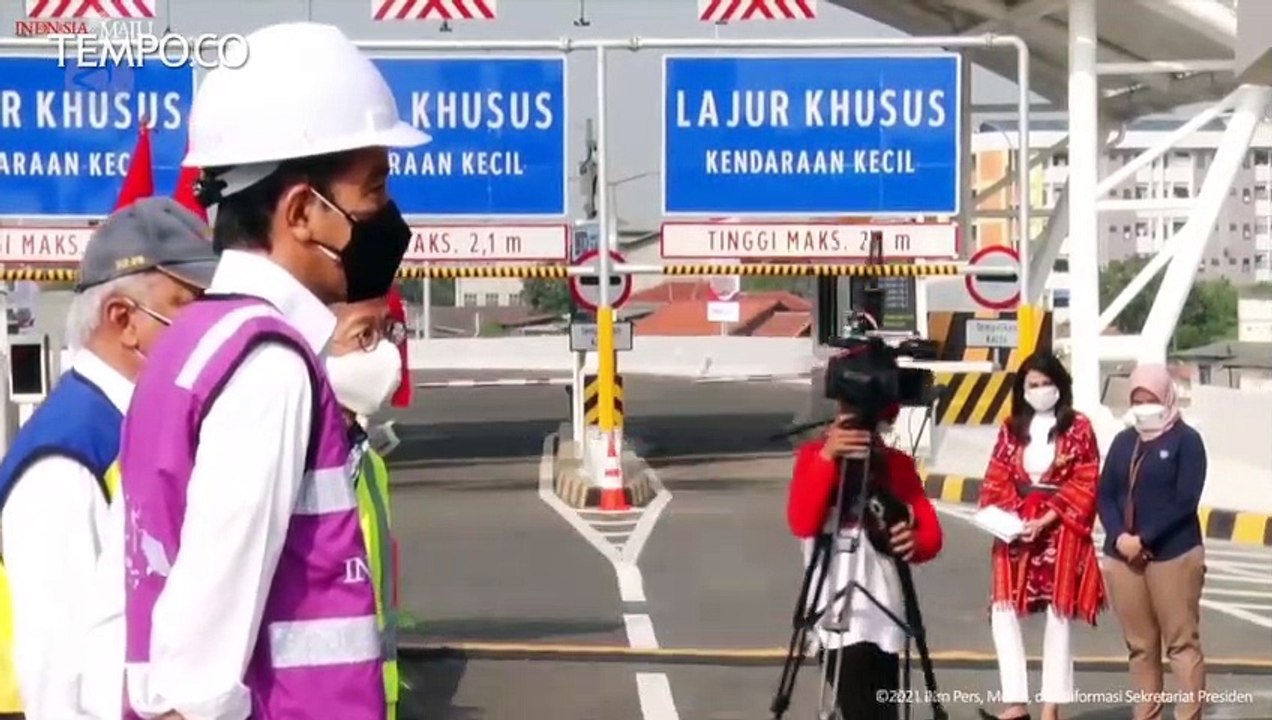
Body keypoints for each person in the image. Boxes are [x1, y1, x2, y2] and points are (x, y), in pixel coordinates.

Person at [116, 22, 429, 720]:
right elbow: (199, 664)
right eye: (373, 190)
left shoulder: (190, 345)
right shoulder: (267, 368)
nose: (388, 216)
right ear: (302, 213)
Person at [0, 198, 217, 720]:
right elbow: (63, 676)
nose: (212, 327)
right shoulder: (69, 458)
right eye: (191, 305)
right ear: (124, 320)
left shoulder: (134, 430)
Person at [787, 395, 943, 720]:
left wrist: (912, 540)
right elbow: (802, 521)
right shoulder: (813, 457)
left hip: (885, 616)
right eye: (846, 412)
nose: (854, 423)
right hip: (835, 610)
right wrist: (829, 457)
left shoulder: (895, 464)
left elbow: (931, 537)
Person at [978, 351, 1105, 720]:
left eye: (1046, 383)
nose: (1040, 390)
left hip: (1060, 530)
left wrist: (1048, 517)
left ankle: (1052, 705)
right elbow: (996, 476)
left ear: (1059, 385)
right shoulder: (1010, 427)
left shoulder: (1078, 427)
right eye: (1032, 385)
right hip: (1014, 530)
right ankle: (1015, 701)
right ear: (1022, 389)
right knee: (1003, 611)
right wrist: (1014, 520)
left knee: (1059, 613)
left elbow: (1086, 479)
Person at [1098, 363, 1207, 720]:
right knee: (1141, 647)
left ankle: (1189, 713)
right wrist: (1120, 537)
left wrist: (1144, 538)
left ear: (1167, 397)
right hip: (1123, 557)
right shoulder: (1123, 441)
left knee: (1181, 643)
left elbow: (1185, 499)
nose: (1144, 406)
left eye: (1151, 399)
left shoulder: (1186, 441)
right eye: (1137, 400)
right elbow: (1107, 494)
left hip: (1173, 554)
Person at [326, 294, 408, 720]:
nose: (385, 354)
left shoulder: (370, 466)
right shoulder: (279, 458)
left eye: (389, 332)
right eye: (365, 335)